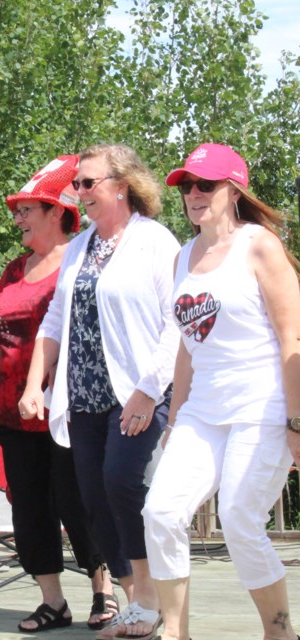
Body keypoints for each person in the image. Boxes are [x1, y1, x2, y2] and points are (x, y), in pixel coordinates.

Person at [18, 143, 180, 640]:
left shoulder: (155, 241)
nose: (79, 192)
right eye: (78, 184)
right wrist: (34, 381)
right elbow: (55, 318)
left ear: (122, 185)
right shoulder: (81, 247)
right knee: (92, 500)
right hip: (82, 394)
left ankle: (153, 600)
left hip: (136, 392)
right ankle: (138, 604)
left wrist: (149, 390)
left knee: (122, 485)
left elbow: (177, 322)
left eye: (89, 182)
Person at [142, 144, 300, 640]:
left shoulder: (260, 245)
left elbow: (291, 335)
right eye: (186, 185)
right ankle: (175, 633)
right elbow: (190, 345)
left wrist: (297, 422)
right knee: (161, 511)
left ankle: (279, 632)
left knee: (238, 518)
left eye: (205, 184)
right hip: (202, 412)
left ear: (232, 190)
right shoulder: (183, 257)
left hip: (262, 407)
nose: (193, 193)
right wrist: (174, 420)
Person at [0, 155, 114, 632]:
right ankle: (53, 601)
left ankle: (105, 591)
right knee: (29, 506)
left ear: (57, 212)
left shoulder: (80, 262)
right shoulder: (15, 269)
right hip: (14, 412)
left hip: (66, 409)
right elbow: (0, 340)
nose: (17, 218)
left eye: (26, 209)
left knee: (79, 502)